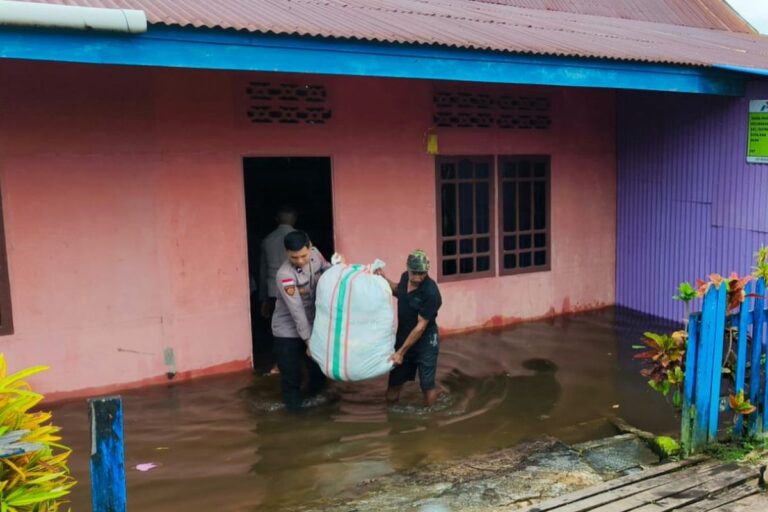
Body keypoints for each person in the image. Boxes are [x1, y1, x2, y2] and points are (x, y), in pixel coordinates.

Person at [271, 230, 331, 411]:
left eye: (303, 255)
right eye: (294, 257)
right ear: (287, 252)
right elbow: (296, 310)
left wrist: (339, 267)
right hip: (287, 331)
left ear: (310, 247)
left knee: (318, 373)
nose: (300, 261)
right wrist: (308, 341)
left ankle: (318, 413)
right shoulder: (285, 275)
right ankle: (294, 417)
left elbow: (327, 269)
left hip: (312, 325)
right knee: (291, 377)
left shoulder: (315, 255)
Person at [378, 250, 443, 406]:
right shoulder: (405, 277)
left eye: (422, 273)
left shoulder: (431, 292)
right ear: (408, 268)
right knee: (394, 384)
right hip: (403, 337)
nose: (418, 277)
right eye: (415, 272)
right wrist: (382, 279)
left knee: (427, 385)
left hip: (425, 342)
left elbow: (421, 327)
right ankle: (392, 416)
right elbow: (398, 290)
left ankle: (431, 420)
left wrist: (400, 352)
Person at [258, 204, 298, 374]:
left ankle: (278, 363)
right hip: (295, 291)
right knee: (298, 325)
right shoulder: (300, 238)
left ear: (277, 220)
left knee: (278, 329)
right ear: (294, 219)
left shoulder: (267, 240)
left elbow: (263, 271)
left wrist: (263, 298)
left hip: (274, 290)